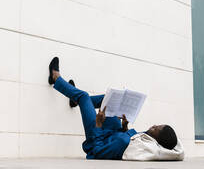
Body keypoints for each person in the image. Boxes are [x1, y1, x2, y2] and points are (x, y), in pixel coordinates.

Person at [48, 57, 178, 160]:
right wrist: (124, 127)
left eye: (156, 128)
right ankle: (75, 100)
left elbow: (97, 151)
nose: (154, 126)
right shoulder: (146, 139)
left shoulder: (128, 144)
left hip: (97, 136)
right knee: (108, 102)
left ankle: (56, 78)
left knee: (84, 96)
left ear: (158, 139)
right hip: (112, 131)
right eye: (157, 125)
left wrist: (98, 124)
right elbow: (124, 137)